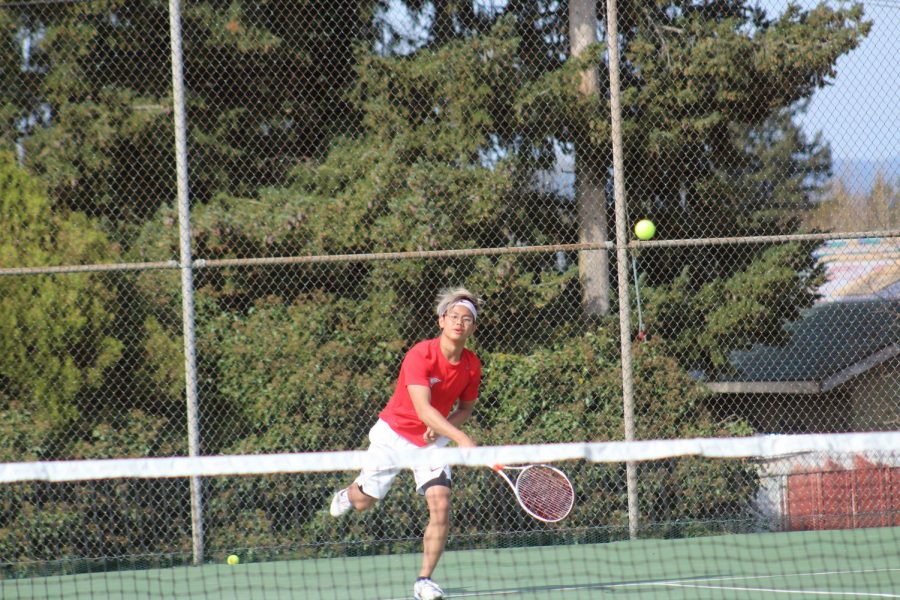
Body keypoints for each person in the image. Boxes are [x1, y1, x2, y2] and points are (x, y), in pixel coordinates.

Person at [328, 287, 483, 600]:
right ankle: (350, 492)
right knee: (364, 502)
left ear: (473, 327)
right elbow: (424, 409)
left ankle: (424, 580)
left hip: (431, 446)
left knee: (441, 506)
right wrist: (460, 437)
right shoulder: (420, 354)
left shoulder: (471, 365)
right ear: (441, 321)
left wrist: (442, 431)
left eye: (466, 319)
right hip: (393, 436)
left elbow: (464, 409)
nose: (459, 323)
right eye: (453, 317)